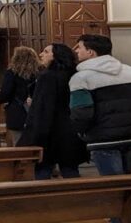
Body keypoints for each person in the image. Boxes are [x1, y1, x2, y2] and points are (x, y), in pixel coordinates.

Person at [69, 34, 131, 177]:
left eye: (80, 48)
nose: (76, 51)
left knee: (114, 184)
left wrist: (82, 133)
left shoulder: (81, 78)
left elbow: (82, 113)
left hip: (102, 139)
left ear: (91, 52)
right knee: (128, 181)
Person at [18, 43, 86, 179]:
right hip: (71, 130)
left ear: (56, 56)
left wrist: (32, 134)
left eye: (46, 51)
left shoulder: (47, 76)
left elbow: (41, 108)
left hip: (49, 132)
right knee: (71, 171)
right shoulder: (76, 74)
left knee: (42, 172)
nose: (41, 54)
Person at [0, 46, 39, 146]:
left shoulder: (12, 73)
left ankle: (21, 160)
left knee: (19, 142)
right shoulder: (39, 73)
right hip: (35, 111)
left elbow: (5, 93)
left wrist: (1, 100)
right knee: (35, 142)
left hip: (17, 111)